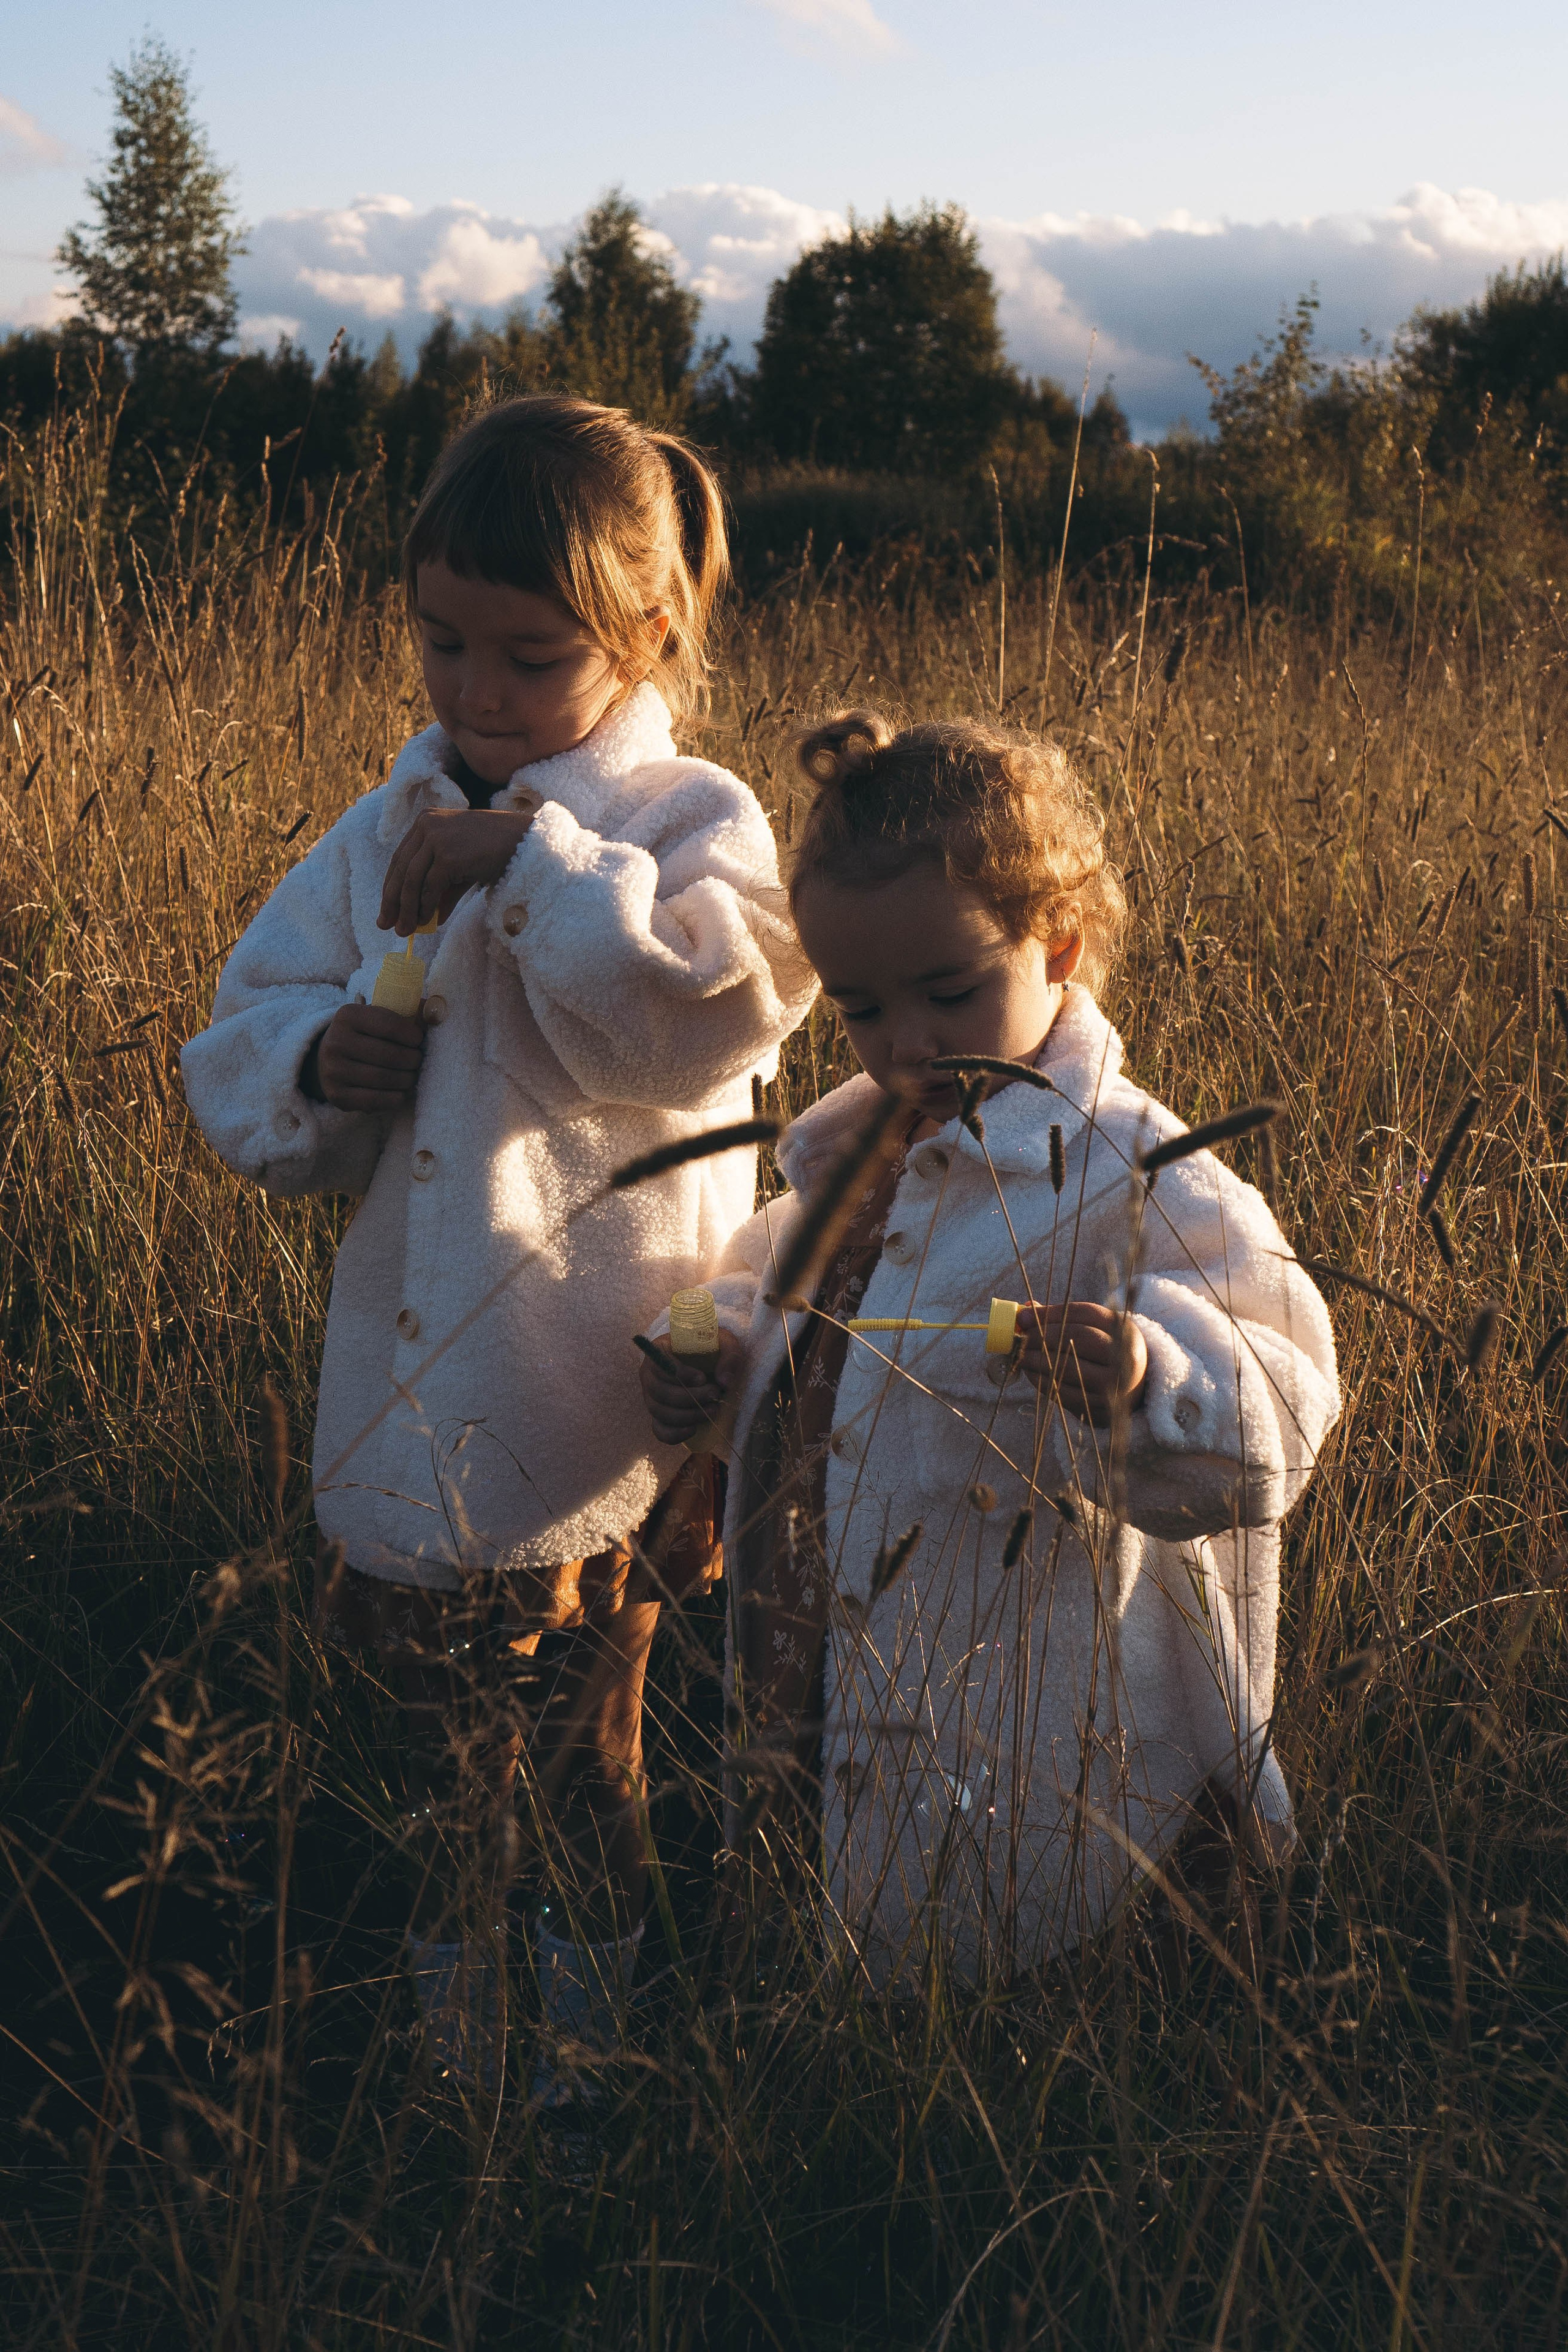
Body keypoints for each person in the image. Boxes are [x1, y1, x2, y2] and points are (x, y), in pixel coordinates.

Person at [181, 396, 815, 2091]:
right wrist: (325, 1062)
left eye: (530, 658)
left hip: (590, 1413)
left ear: (649, 631)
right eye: (443, 642)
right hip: (413, 1396)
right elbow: (242, 1025)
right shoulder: (391, 817)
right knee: (446, 1764)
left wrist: (533, 857)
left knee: (585, 1751)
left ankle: (589, 2083)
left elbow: (698, 1020)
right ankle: (463, 2058)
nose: (475, 695)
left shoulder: (695, 822)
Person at [640, 709, 1341, 1983]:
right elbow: (770, 1287)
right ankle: (837, 2052)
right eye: (859, 1009)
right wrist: (717, 1352)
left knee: (1019, 1915)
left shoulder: (1137, 1170)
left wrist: (1152, 1372)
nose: (908, 1041)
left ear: (1058, 946)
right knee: (829, 1877)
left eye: (949, 992)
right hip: (816, 1641)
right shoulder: (850, 1155)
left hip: (1034, 1687)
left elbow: (1284, 1386)